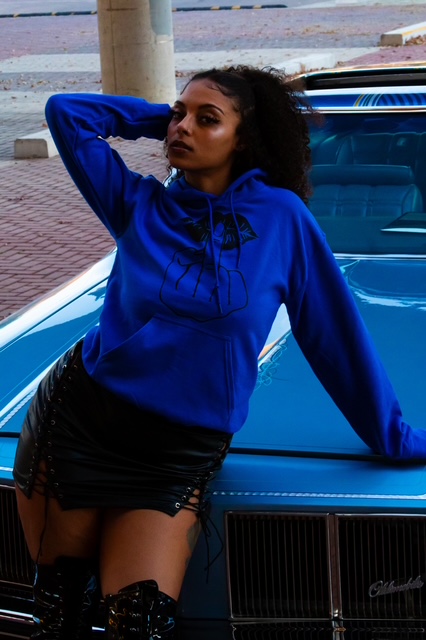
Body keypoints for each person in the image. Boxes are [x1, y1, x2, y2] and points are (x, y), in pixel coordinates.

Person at [13, 65, 426, 640]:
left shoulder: (282, 219)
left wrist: (395, 438)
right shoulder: (137, 204)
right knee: (60, 617)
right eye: (179, 114)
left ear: (246, 138)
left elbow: (334, 337)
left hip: (176, 455)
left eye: (207, 120)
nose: (183, 127)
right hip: (80, 424)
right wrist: (167, 118)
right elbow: (66, 113)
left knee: (138, 625)